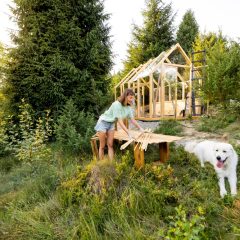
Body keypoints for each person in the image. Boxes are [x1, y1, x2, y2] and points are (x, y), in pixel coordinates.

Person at [94, 88, 144, 160]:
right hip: (103, 122)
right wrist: (128, 132)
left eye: (133, 98)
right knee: (102, 145)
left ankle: (111, 164)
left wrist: (140, 128)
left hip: (111, 124)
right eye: (130, 97)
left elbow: (132, 120)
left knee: (110, 145)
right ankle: (101, 164)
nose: (132, 100)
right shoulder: (116, 105)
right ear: (125, 96)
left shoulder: (128, 107)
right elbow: (120, 122)